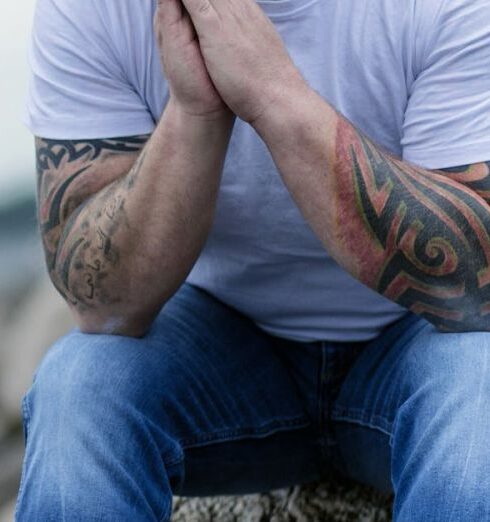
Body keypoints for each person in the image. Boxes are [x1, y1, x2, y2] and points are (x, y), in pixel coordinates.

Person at [16, 0, 490, 520]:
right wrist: (194, 113)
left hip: (411, 347)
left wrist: (273, 94)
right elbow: (101, 304)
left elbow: (479, 284)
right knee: (79, 385)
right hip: (222, 350)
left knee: (482, 379)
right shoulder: (91, 9)